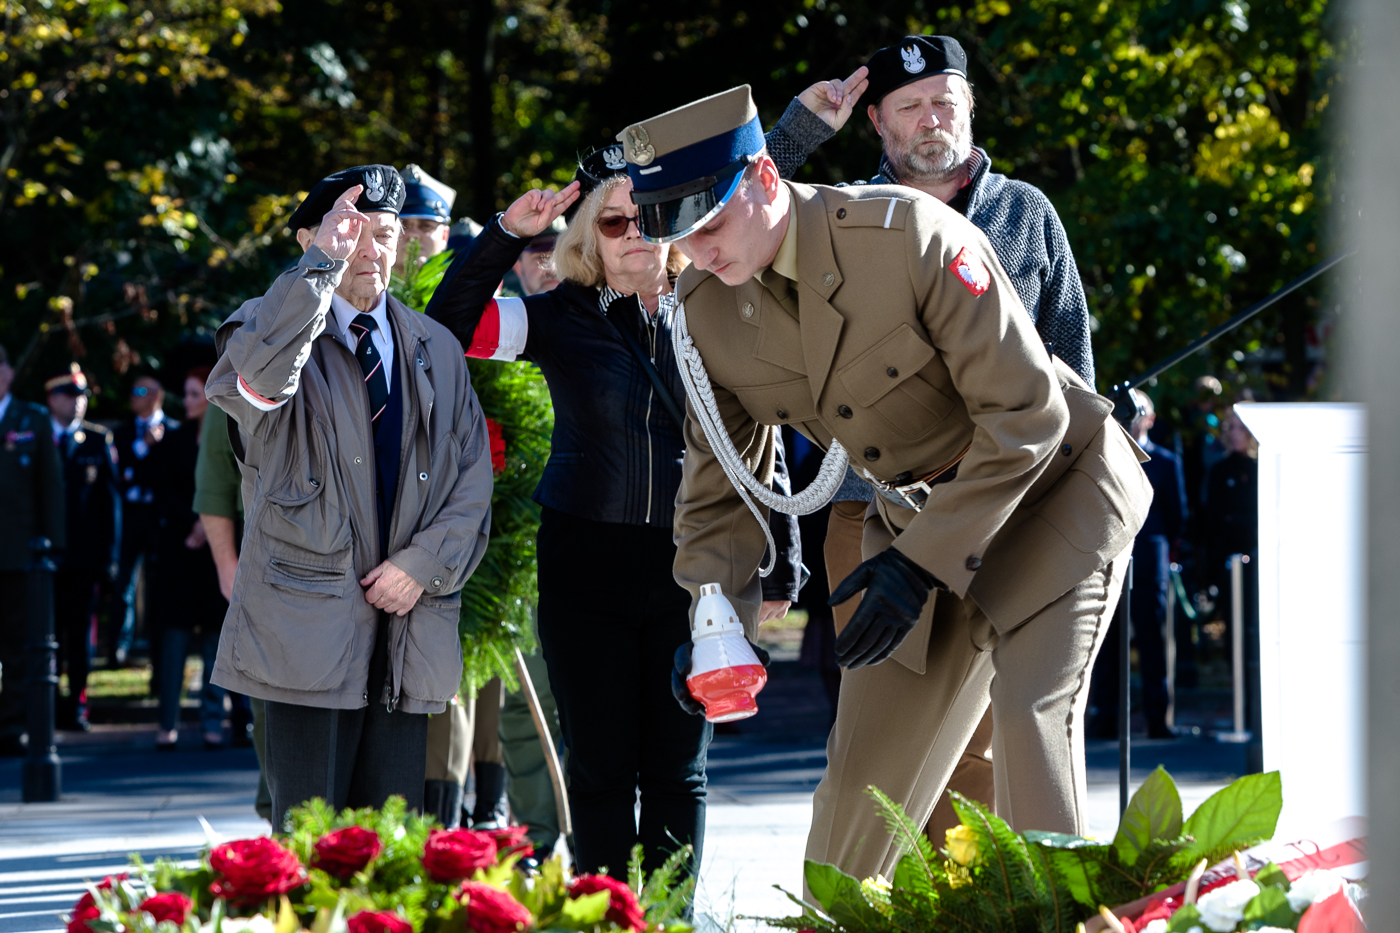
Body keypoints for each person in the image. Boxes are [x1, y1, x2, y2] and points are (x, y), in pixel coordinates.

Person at [627, 85, 1151, 886]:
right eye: (679, 234)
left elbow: (1027, 417)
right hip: (915, 517)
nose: (698, 251)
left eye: (711, 221)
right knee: (858, 793)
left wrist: (921, 565)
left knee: (1028, 724)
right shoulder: (704, 308)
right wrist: (712, 621)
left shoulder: (909, 233)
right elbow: (719, 481)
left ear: (766, 177)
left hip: (1056, 493)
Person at [421, 82, 856, 873]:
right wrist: (499, 239)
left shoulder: (721, 304)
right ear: (592, 232)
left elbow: (759, 434)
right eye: (613, 221)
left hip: (697, 566)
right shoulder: (557, 316)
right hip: (586, 562)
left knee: (677, 770)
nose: (631, 234)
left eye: (645, 217)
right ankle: (607, 917)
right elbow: (445, 329)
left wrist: (785, 552)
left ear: (672, 223)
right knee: (598, 770)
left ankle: (669, 919)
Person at [781, 35, 1100, 839]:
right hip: (874, 512)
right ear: (878, 124)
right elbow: (734, 224)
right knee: (880, 742)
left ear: (970, 108)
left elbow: (1073, 360)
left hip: (1009, 512)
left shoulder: (1026, 214)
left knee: (989, 743)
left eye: (946, 100)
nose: (934, 119)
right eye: (912, 106)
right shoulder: (839, 214)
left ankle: (972, 906)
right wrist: (797, 133)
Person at [205, 166, 494, 827]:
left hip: (407, 630)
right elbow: (259, 385)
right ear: (309, 237)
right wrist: (318, 271)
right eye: (348, 233)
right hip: (305, 634)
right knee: (307, 845)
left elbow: (473, 478)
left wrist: (421, 566)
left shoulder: (436, 347)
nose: (369, 250)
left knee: (387, 847)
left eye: (384, 234)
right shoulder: (261, 327)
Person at [151, 367, 246, 751]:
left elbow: (233, 486)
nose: (190, 401)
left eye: (196, 393)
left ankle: (213, 719)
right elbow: (161, 489)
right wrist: (193, 524)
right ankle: (167, 722)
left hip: (214, 555)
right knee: (173, 643)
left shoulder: (232, 429)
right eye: (188, 394)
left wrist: (207, 529)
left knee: (214, 642)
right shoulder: (172, 442)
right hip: (180, 555)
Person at [1088, 392, 1186, 739]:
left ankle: (1159, 719)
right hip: (1112, 561)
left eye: (1139, 411)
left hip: (1148, 566)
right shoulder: (1107, 456)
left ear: (1150, 419)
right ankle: (1107, 718)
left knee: (1152, 645)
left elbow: (1177, 516)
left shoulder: (1166, 462)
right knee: (1107, 646)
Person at [46, 365, 121, 732]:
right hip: (44, 559)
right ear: (52, 398)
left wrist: (110, 559)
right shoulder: (37, 437)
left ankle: (76, 703)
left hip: (83, 560)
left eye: (82, 396)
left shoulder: (97, 440)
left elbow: (111, 506)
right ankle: (44, 706)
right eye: (69, 396)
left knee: (79, 638)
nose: (77, 403)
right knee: (46, 638)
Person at [0, 346, 67, 756]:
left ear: (7, 372)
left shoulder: (32, 419)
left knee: (17, 644)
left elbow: (50, 488)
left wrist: (52, 546)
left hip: (17, 554)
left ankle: (11, 725)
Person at [112, 374, 177, 665]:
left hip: (158, 520)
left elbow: (166, 478)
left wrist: (135, 470)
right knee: (122, 583)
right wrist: (144, 448)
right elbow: (118, 476)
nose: (133, 396)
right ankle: (118, 649)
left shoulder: (174, 430)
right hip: (128, 517)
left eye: (140, 391)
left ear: (156, 395)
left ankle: (156, 658)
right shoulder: (123, 433)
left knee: (158, 589)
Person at [395, 164, 456, 276]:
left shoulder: (461, 292)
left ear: (445, 236)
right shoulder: (358, 292)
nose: (413, 235)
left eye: (426, 226)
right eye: (402, 225)